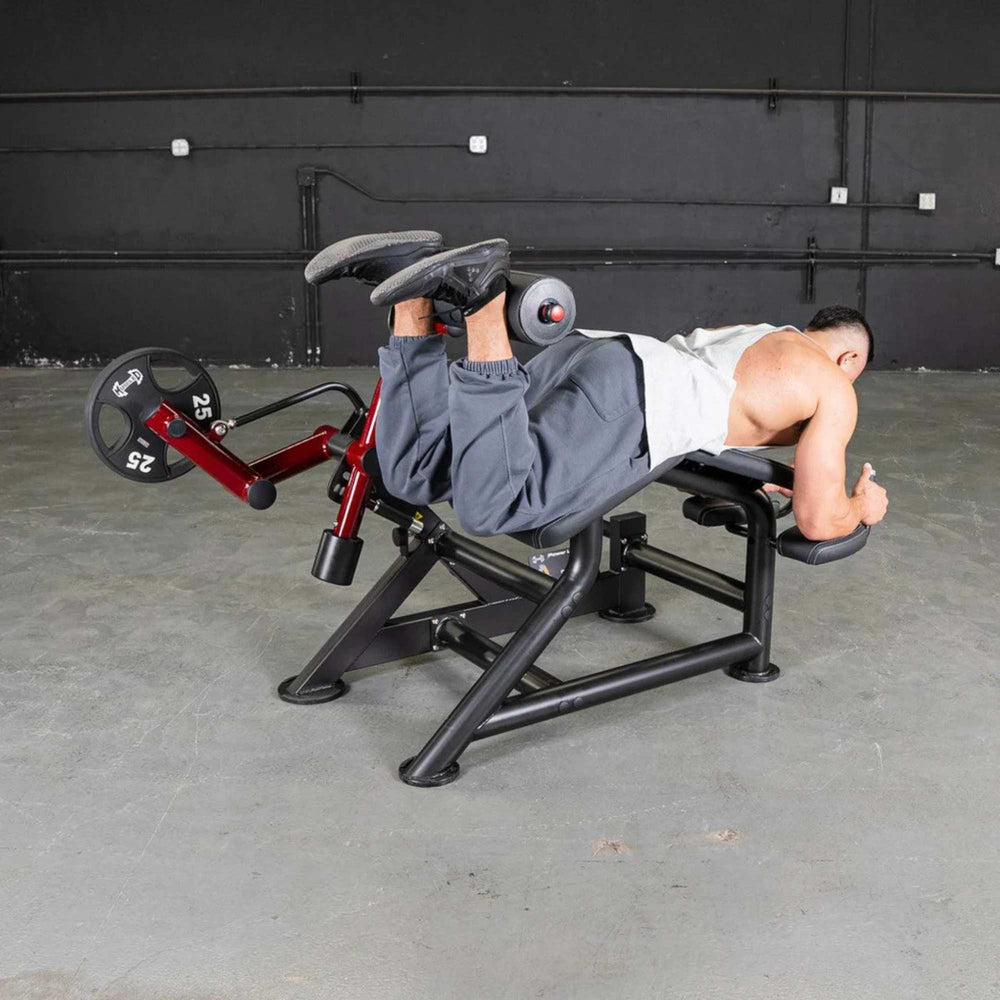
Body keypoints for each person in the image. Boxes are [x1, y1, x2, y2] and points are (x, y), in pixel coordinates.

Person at [309, 231, 889, 541]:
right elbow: (818, 519)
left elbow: (710, 425)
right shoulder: (834, 384)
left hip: (596, 355)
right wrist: (861, 506)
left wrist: (743, 490)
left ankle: (409, 290)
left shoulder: (764, 336)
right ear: (848, 354)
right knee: (493, 505)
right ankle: (482, 298)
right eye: (853, 370)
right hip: (630, 401)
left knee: (417, 473)